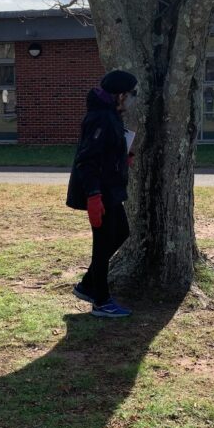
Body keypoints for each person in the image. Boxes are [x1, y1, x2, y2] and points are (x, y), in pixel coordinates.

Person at [66, 69, 137, 318]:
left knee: (121, 233)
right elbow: (87, 160)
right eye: (131, 94)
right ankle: (101, 301)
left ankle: (87, 285)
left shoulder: (111, 115)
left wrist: (124, 157)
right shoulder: (100, 118)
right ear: (120, 95)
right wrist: (94, 196)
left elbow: (107, 151)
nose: (133, 99)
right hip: (101, 192)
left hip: (111, 189)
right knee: (103, 243)